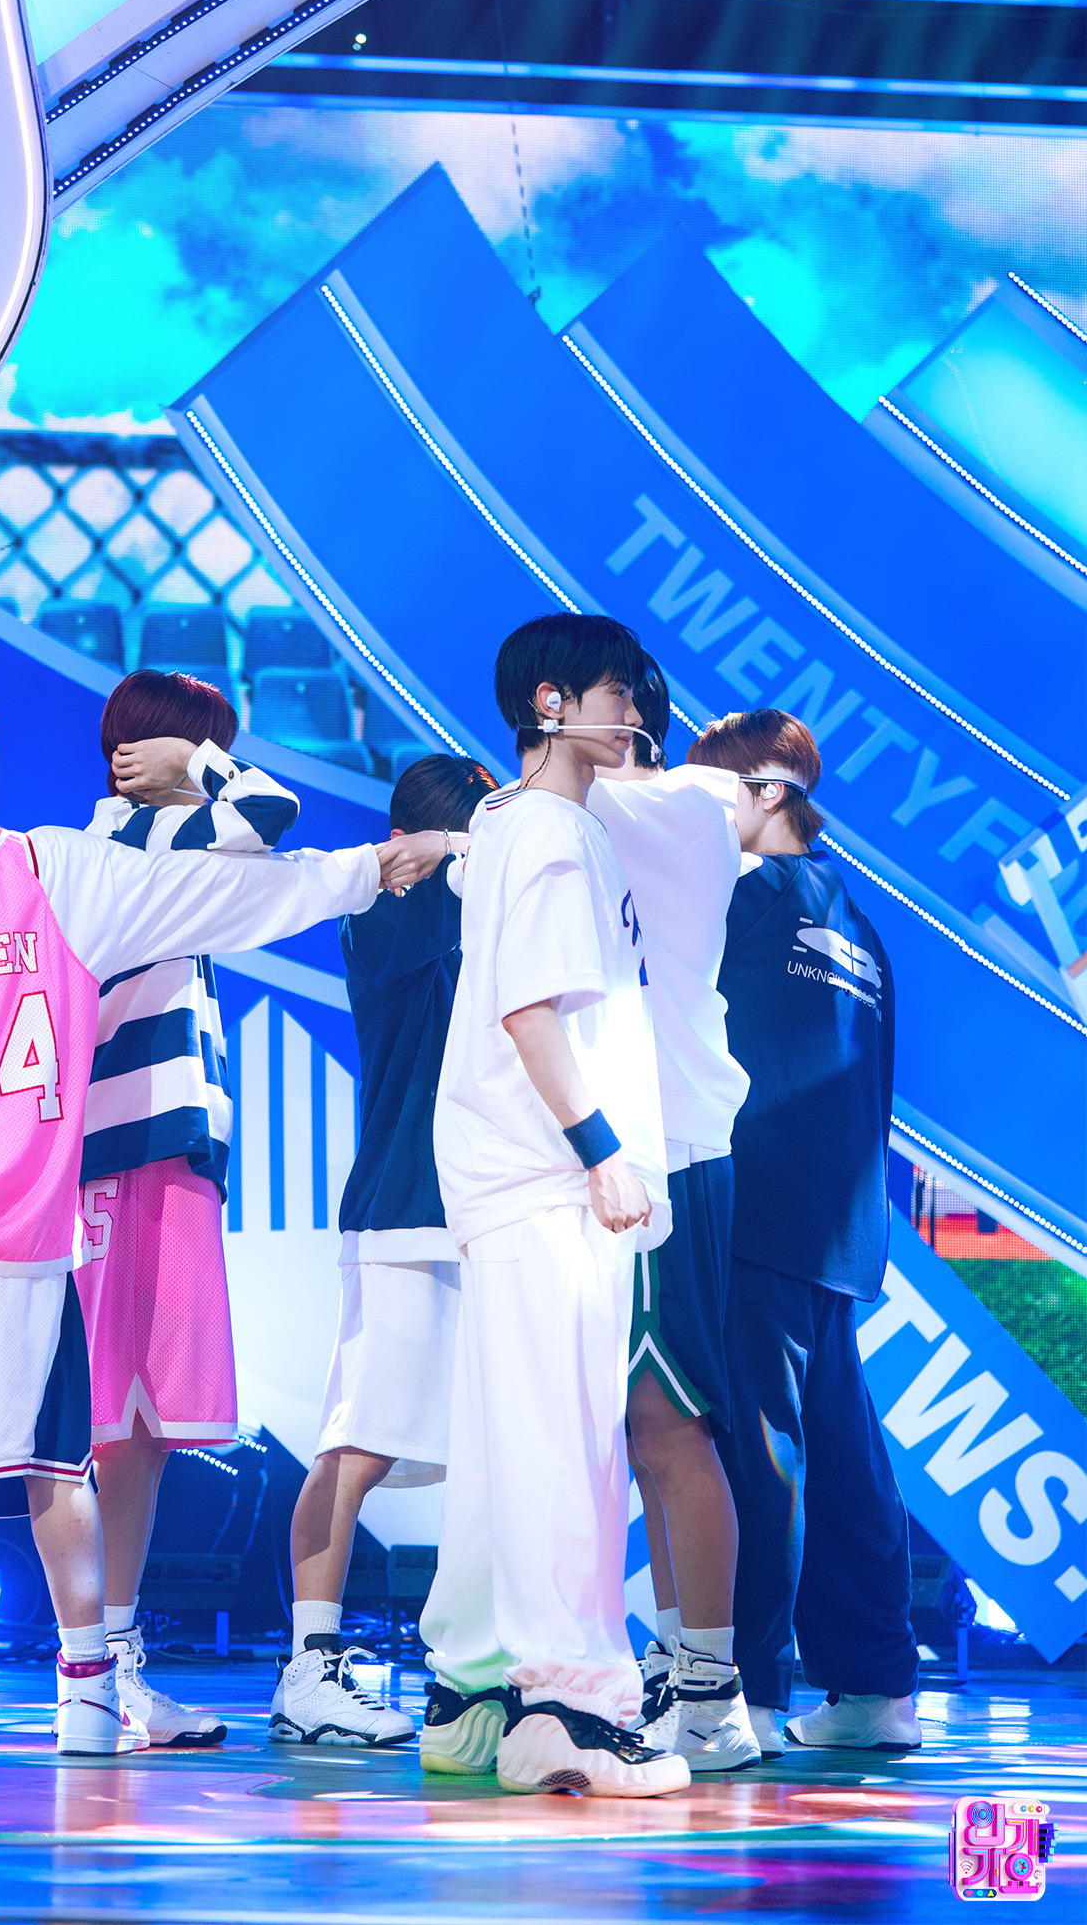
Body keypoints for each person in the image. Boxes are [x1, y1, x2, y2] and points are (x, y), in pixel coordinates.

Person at [0, 673, 416, 1759]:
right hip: (26, 1227)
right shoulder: (57, 863)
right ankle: (91, 1694)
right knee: (56, 1466)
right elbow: (238, 898)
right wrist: (369, 868)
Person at [417, 612, 688, 1798]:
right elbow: (531, 1010)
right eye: (615, 693)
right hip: (548, 1173)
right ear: (551, 703)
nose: (634, 714)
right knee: (561, 1446)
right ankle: (567, 1711)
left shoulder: (524, 825)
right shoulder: (549, 831)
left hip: (518, 1173)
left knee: (507, 1444)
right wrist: (601, 1151)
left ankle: (473, 1696)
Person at [75, 665, 302, 1748]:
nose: (222, 760)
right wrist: (198, 765)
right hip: (114, 1158)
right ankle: (96, 1671)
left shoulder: (164, 843)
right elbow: (271, 809)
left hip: (166, 1154)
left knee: (142, 1430)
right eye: (208, 740)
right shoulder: (132, 837)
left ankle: (113, 1668)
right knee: (104, 1427)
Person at [684, 707, 919, 1757]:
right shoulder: (859, 922)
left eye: (711, 795)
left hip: (757, 1209)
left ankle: (750, 1692)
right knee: (843, 1455)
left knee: (760, 1457)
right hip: (841, 1229)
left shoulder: (736, 895)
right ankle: (874, 1688)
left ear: (768, 793)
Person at [272, 751, 492, 1748]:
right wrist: (448, 852)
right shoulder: (383, 911)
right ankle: (310, 1667)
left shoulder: (493, 915)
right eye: (476, 828)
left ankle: (491, 1667)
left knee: (505, 1451)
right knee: (356, 1442)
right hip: (405, 1212)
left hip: (495, 1216)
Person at [585, 657, 758, 1771]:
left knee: (666, 1422)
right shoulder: (649, 809)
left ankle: (711, 1695)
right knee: (634, 1430)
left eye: (573, 700)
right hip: (635, 1147)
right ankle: (672, 1670)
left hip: (663, 1150)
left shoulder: (670, 804)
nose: (552, 724)